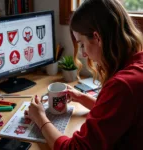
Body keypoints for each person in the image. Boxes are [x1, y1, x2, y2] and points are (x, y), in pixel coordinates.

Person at [24, 0, 143, 149]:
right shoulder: (136, 67)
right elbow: (116, 114)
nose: (83, 53)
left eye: (81, 44)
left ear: (97, 38)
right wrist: (80, 97)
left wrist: (40, 118)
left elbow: (74, 148)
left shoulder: (122, 86)